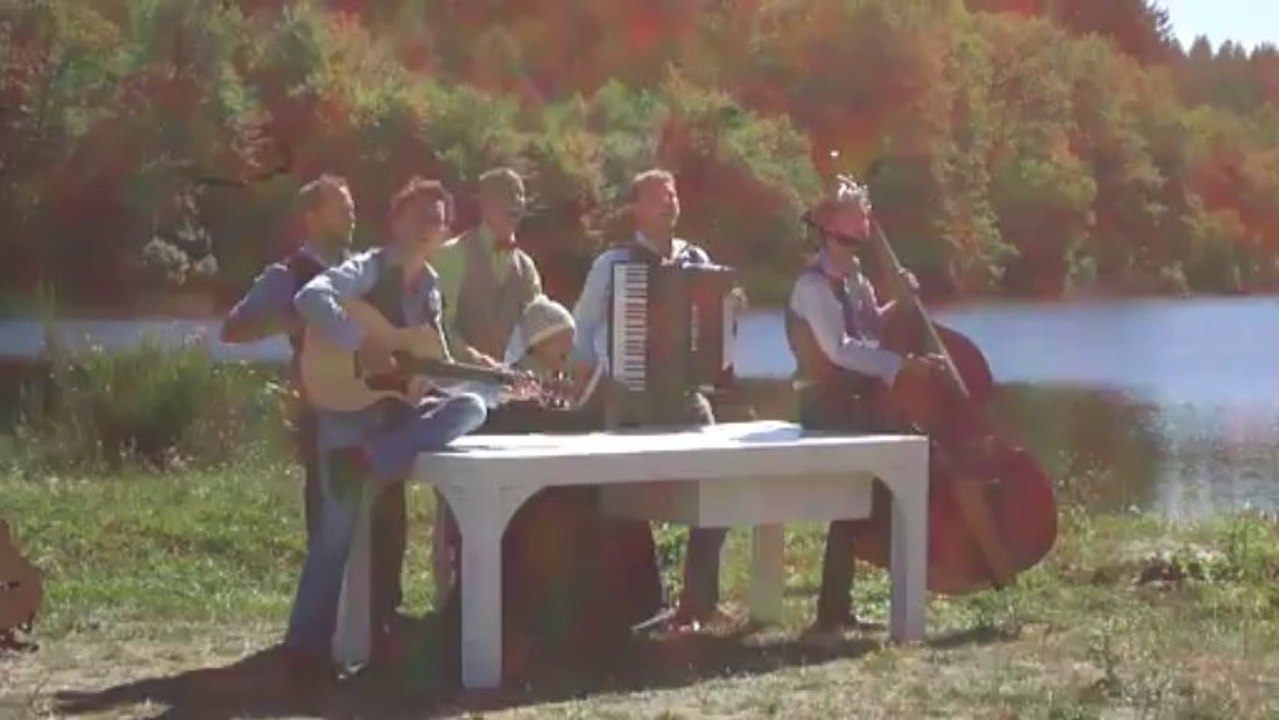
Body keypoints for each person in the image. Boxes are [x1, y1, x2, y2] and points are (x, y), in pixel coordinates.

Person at [282, 177, 498, 683]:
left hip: (392, 414)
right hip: (346, 409)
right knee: (334, 538)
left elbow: (433, 362)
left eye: (438, 219)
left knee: (473, 404)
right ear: (397, 218)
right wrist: (360, 341)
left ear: (446, 232)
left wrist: (493, 377)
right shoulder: (369, 267)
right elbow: (312, 298)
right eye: (418, 214)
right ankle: (302, 654)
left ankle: (375, 462)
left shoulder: (431, 291)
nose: (427, 226)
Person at [570, 168, 735, 630]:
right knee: (620, 501)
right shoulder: (613, 264)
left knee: (719, 482)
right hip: (631, 396)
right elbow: (582, 331)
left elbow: (715, 326)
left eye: (674, 193)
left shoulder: (697, 260)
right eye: (658, 196)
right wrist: (591, 378)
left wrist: (726, 319)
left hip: (684, 395)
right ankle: (630, 606)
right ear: (637, 207)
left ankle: (698, 601)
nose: (669, 202)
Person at [785, 175, 949, 637]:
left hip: (856, 403)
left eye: (866, 213)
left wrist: (901, 301)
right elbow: (839, 350)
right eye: (858, 214)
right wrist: (902, 367)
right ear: (831, 222)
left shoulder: (855, 279)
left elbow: (871, 329)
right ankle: (840, 609)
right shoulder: (812, 286)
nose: (866, 222)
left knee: (862, 501)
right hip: (825, 406)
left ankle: (836, 609)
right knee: (869, 491)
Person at [426, 166, 547, 594]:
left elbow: (539, 329)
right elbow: (439, 326)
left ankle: (503, 593)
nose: (516, 210)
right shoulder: (452, 256)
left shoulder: (526, 267)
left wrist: (541, 370)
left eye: (520, 203)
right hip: (455, 392)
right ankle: (446, 595)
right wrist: (475, 360)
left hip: (508, 399)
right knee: (452, 501)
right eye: (507, 202)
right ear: (485, 204)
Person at [220, 174, 355, 543]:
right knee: (327, 513)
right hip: (320, 407)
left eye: (351, 209)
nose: (351, 216)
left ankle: (378, 600)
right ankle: (326, 598)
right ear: (312, 218)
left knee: (378, 512)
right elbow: (232, 330)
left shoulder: (364, 270)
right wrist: (299, 318)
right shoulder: (288, 276)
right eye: (341, 209)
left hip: (371, 404)